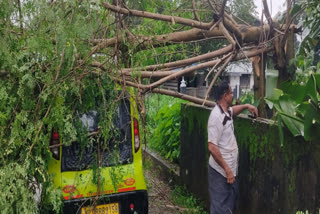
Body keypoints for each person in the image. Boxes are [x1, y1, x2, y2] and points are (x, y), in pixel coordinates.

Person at [207, 81, 258, 214]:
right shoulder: (216, 117)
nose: (233, 95)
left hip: (230, 170)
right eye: (231, 93)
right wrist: (227, 169)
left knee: (229, 206)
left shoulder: (226, 111)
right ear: (225, 95)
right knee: (220, 208)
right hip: (220, 172)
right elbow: (212, 147)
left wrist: (247, 106)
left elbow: (233, 111)